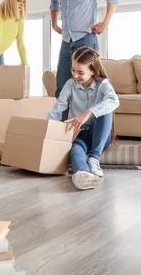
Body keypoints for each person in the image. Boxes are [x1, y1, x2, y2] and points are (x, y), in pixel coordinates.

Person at [50, 0, 119, 105]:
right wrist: (54, 24)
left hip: (86, 38)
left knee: (91, 86)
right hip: (67, 40)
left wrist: (104, 23)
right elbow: (54, 3)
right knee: (61, 86)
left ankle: (92, 126)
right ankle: (63, 128)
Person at [47, 47, 119, 190]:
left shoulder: (103, 84)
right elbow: (57, 110)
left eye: (80, 72)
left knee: (106, 110)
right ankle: (83, 174)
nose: (75, 75)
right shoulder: (70, 85)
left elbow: (114, 101)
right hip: (77, 133)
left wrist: (88, 113)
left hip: (100, 136)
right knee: (75, 150)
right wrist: (47, 132)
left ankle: (94, 158)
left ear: (93, 71)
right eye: (73, 70)